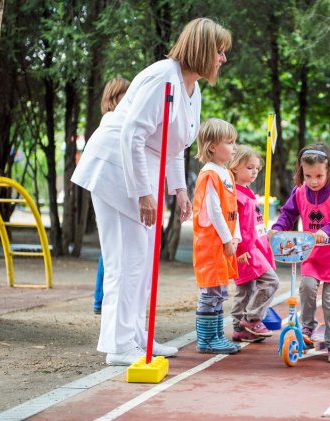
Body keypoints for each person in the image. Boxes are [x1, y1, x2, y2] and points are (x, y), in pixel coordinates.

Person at [71, 18, 232, 365]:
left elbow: (174, 148)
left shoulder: (193, 90)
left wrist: (181, 190)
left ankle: (138, 336)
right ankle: (118, 346)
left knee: (142, 263)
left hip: (141, 170)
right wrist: (144, 192)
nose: (223, 59)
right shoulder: (162, 76)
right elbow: (133, 133)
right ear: (203, 49)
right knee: (125, 261)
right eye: (219, 51)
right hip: (115, 169)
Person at [269, 143, 330, 363]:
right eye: (308, 176)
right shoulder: (300, 191)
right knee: (306, 287)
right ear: (301, 172)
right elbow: (289, 213)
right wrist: (278, 229)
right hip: (310, 252)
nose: (314, 181)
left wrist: (328, 230)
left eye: (319, 175)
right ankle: (306, 327)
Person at [192, 119, 241, 354]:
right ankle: (207, 339)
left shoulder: (226, 173)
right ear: (212, 146)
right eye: (229, 142)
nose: (234, 147)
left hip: (225, 243)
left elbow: (234, 209)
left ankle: (217, 336)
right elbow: (214, 211)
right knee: (211, 291)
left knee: (219, 291)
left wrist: (236, 236)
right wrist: (226, 239)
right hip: (211, 244)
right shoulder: (209, 173)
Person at [228, 145, 279, 343]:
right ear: (234, 167)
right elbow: (237, 226)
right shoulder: (235, 196)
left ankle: (239, 326)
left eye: (256, 168)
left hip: (255, 248)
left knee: (246, 288)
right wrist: (242, 249)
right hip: (246, 250)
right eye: (249, 167)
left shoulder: (247, 193)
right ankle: (252, 319)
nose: (254, 172)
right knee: (270, 281)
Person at [92, 77, 131, 315]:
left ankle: (101, 299)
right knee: (111, 250)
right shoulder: (112, 121)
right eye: (126, 96)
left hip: (112, 188)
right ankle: (101, 299)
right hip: (109, 189)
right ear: (114, 99)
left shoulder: (116, 121)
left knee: (112, 249)